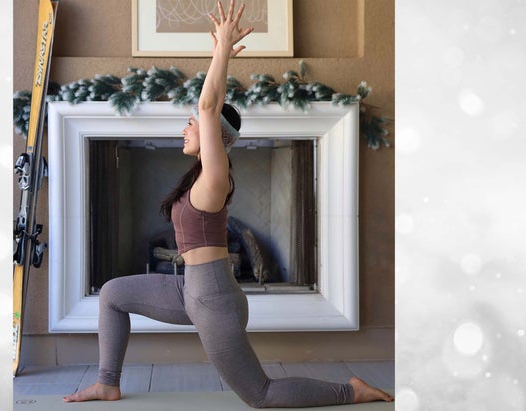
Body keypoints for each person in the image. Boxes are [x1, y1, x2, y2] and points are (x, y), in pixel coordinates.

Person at [63, 0, 394, 407]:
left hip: (215, 301)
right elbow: (208, 109)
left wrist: (221, 50)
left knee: (261, 394)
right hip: (189, 291)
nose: (186, 127)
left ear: (215, 135)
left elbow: (208, 106)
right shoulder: (199, 180)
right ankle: (107, 383)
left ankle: (351, 390)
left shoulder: (215, 179)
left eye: (192, 123)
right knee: (113, 293)